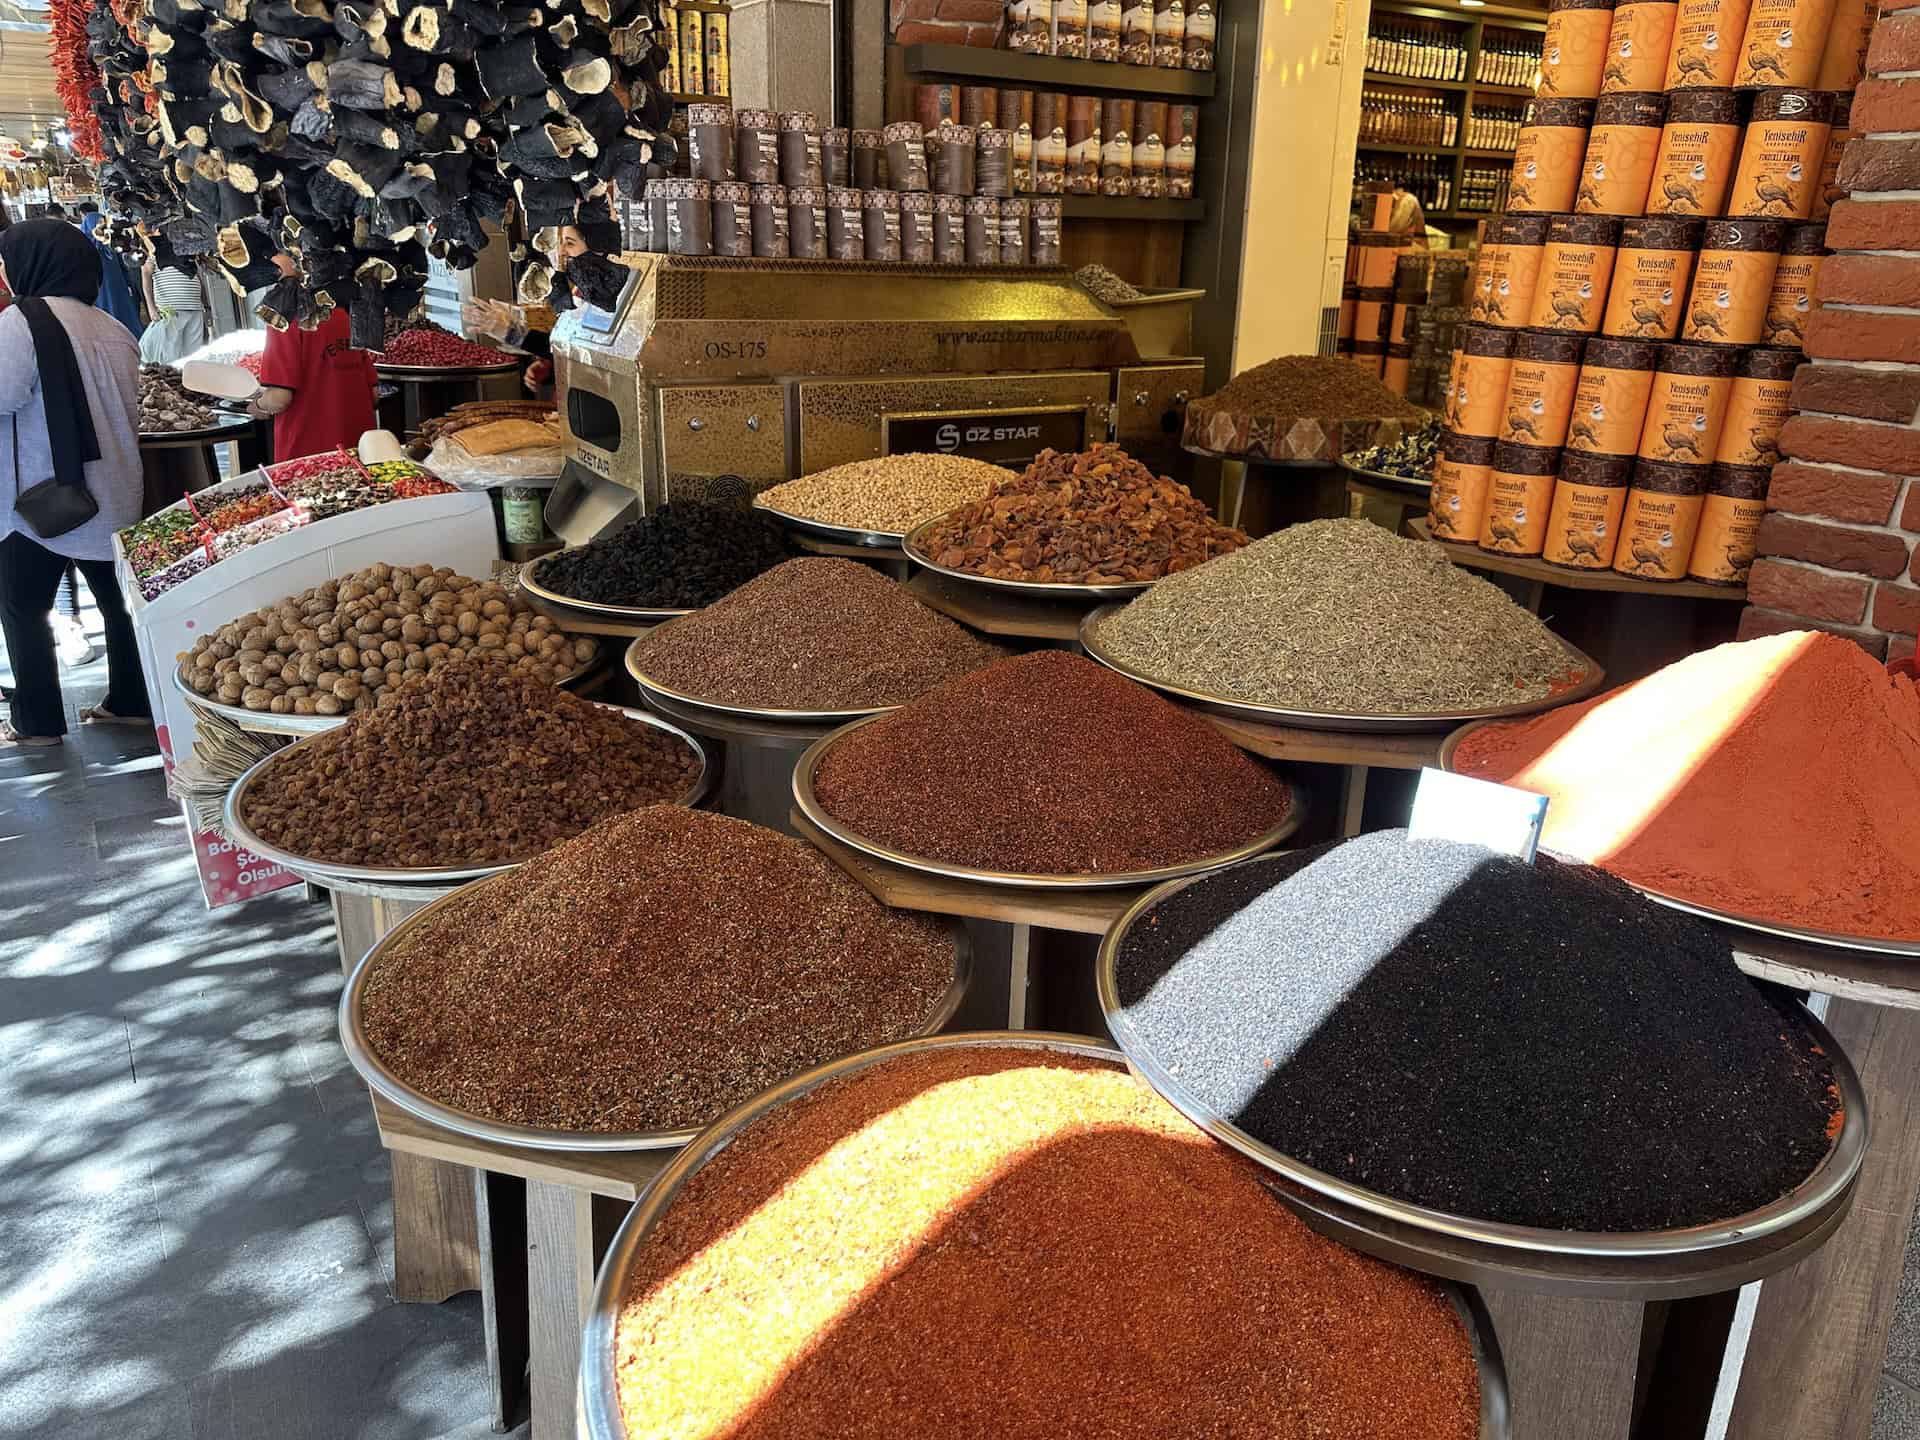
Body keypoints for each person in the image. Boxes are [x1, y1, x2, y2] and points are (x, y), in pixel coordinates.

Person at [0, 219, 148, 747]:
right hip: (114, 491)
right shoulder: (112, 327)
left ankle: (37, 722)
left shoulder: (19, 323)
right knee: (119, 604)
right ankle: (132, 701)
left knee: (23, 606)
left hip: (42, 498)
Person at [247, 253, 377, 462]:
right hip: (362, 453)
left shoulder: (284, 321)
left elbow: (280, 398)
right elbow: (374, 395)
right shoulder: (347, 314)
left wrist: (259, 405)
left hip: (307, 459)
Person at [139, 240, 208, 363]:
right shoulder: (154, 247)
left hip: (195, 308)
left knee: (194, 356)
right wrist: (151, 308)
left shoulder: (188, 248)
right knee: (170, 357)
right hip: (171, 309)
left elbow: (197, 277)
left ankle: (191, 381)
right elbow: (145, 274)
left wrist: (206, 305)